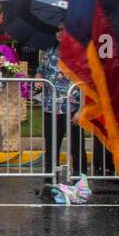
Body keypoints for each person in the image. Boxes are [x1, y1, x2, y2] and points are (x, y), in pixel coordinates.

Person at [39, 25, 86, 179]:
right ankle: (50, 179)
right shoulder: (49, 52)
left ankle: (80, 179)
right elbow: (40, 71)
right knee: (51, 145)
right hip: (50, 107)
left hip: (71, 107)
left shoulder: (79, 53)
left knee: (76, 146)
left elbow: (85, 82)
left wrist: (81, 110)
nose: (60, 33)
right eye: (58, 30)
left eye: (64, 29)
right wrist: (37, 81)